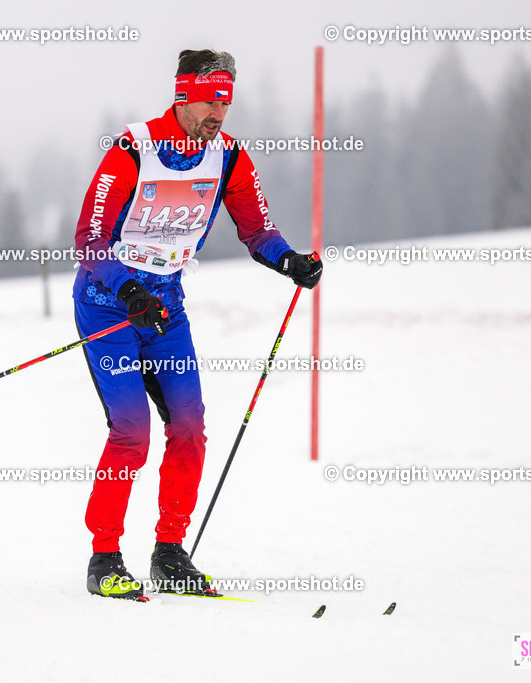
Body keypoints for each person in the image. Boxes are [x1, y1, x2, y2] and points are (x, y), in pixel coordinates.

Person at [72, 50, 322, 600]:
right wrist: (128, 290)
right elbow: (90, 239)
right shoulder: (133, 149)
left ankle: (169, 553)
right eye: (210, 102)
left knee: (188, 426)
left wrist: (289, 260)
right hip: (108, 303)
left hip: (165, 307)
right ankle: (104, 557)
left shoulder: (228, 157)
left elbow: (257, 230)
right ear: (184, 96)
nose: (219, 114)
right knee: (132, 430)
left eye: (226, 104)